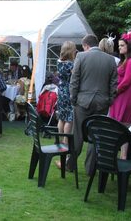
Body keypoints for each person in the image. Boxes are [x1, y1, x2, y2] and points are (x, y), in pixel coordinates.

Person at [69, 34, 118, 175]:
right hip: (102, 103)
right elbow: (113, 83)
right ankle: (90, 169)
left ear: (85, 45)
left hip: (82, 102)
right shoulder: (111, 60)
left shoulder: (81, 57)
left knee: (77, 134)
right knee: (95, 135)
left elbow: (74, 80)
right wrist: (109, 100)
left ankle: (71, 164)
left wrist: (73, 99)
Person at [109, 33, 131, 159]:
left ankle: (123, 156)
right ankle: (115, 154)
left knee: (123, 124)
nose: (120, 48)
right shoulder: (125, 60)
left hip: (126, 95)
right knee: (116, 123)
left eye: (122, 45)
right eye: (119, 45)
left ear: (129, 46)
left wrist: (115, 91)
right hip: (119, 95)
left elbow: (126, 81)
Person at [54, 41, 76, 169]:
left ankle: (61, 139)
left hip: (61, 91)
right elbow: (75, 77)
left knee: (61, 116)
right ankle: (65, 142)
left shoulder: (59, 62)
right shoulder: (70, 64)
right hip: (68, 91)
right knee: (69, 118)